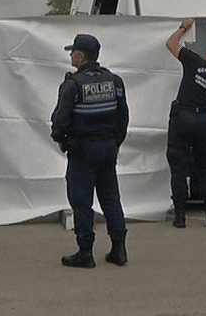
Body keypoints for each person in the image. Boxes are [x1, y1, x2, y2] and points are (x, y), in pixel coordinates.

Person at [51, 34, 129, 268]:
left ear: (81, 57)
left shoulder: (73, 84)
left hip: (83, 150)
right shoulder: (115, 81)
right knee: (110, 198)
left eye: (73, 52)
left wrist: (62, 141)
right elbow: (123, 117)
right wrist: (116, 142)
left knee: (81, 201)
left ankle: (85, 252)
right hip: (107, 148)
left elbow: (60, 120)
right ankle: (119, 249)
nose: (70, 55)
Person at [165, 18, 206, 228]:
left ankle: (180, 216)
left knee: (179, 167)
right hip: (203, 122)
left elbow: (171, 44)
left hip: (183, 117)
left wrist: (184, 28)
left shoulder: (194, 61)